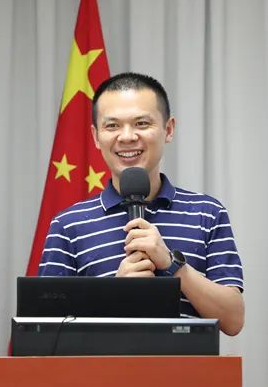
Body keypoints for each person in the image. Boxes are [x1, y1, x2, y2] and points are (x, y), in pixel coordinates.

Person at [38, 72, 244, 335]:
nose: (127, 137)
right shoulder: (68, 225)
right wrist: (112, 295)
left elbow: (233, 320)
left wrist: (172, 265)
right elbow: (45, 333)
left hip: (186, 363)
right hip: (101, 364)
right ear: (96, 136)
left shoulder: (208, 214)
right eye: (112, 126)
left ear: (168, 129)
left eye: (142, 123)